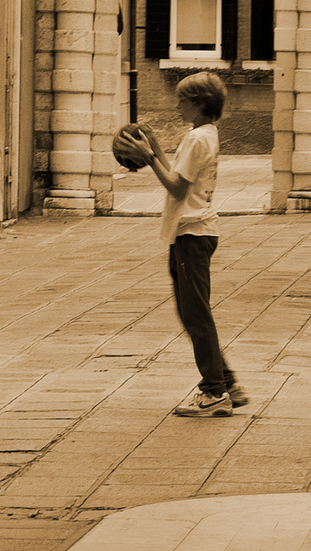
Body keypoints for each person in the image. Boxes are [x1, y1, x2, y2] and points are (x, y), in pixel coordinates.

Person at [117, 72, 247, 417]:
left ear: (200, 103)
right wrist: (155, 148)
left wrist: (147, 157)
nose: (177, 105)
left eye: (182, 100)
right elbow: (179, 172)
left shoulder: (197, 139)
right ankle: (227, 382)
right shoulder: (202, 134)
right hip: (192, 233)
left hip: (193, 234)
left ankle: (214, 393)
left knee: (196, 316)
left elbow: (176, 187)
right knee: (192, 314)